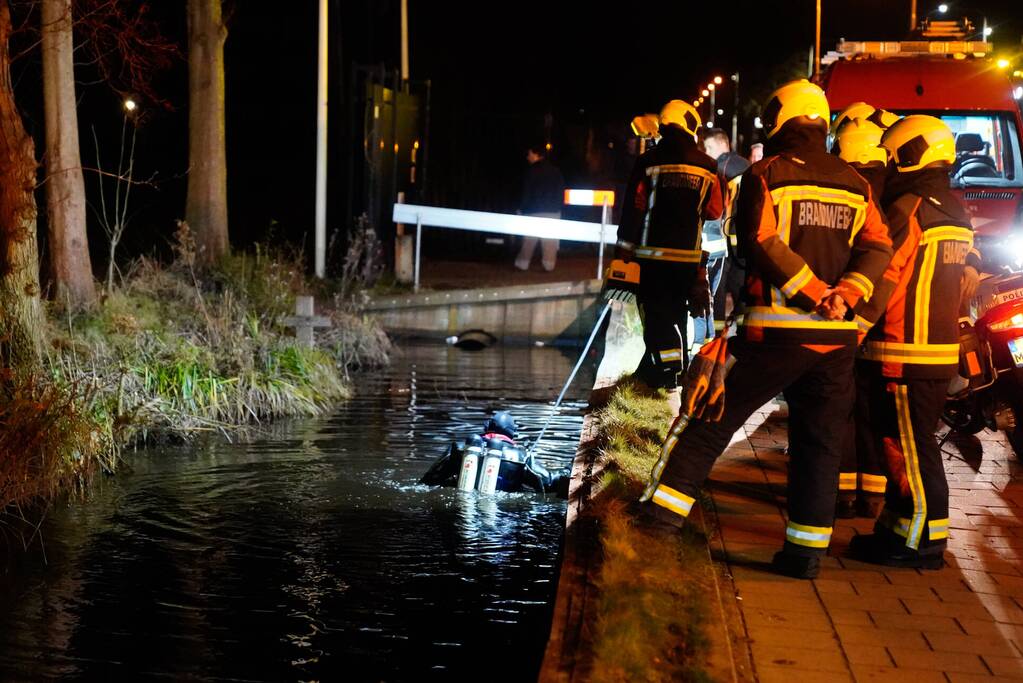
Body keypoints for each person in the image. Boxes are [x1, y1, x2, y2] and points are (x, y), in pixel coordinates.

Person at [636, 80, 893, 579]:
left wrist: (813, 291)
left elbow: (758, 239)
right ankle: (804, 556)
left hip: (773, 332)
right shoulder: (855, 182)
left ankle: (654, 526)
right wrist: (846, 294)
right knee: (820, 445)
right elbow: (879, 247)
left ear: (782, 118)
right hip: (835, 341)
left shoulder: (766, 174)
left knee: (706, 423)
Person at [849, 115, 982, 568]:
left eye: (892, 155)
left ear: (908, 154)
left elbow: (886, 273)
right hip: (934, 351)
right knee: (903, 444)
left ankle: (921, 545)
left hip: (903, 350)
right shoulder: (954, 209)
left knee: (912, 447)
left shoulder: (909, 207)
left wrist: (856, 324)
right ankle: (896, 529)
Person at [616, 100, 723, 389]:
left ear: (663, 126)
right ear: (692, 126)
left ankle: (667, 371)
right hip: (688, 257)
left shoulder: (648, 161)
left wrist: (623, 246)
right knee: (676, 310)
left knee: (655, 313)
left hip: (651, 254)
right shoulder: (709, 166)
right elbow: (716, 211)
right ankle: (670, 369)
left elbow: (634, 207)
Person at [831, 115, 895, 519]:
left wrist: (855, 319)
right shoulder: (898, 188)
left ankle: (842, 492)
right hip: (888, 321)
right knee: (873, 408)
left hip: (853, 313)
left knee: (841, 406)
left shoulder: (850, 187)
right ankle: (873, 495)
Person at [697, 128, 751, 347]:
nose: (707, 153)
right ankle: (746, 339)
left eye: (708, 148)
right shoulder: (748, 166)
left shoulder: (719, 168)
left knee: (717, 292)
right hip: (746, 243)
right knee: (741, 292)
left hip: (725, 240)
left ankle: (714, 344)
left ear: (721, 145)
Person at [515, 143, 566, 272]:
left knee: (528, 240)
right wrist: (558, 208)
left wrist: (521, 209)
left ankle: (522, 264)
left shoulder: (531, 171)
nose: (528, 157)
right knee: (549, 241)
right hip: (552, 210)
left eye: (529, 154)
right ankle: (548, 265)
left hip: (534, 209)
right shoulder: (556, 171)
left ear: (536, 154)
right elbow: (560, 191)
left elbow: (526, 192)